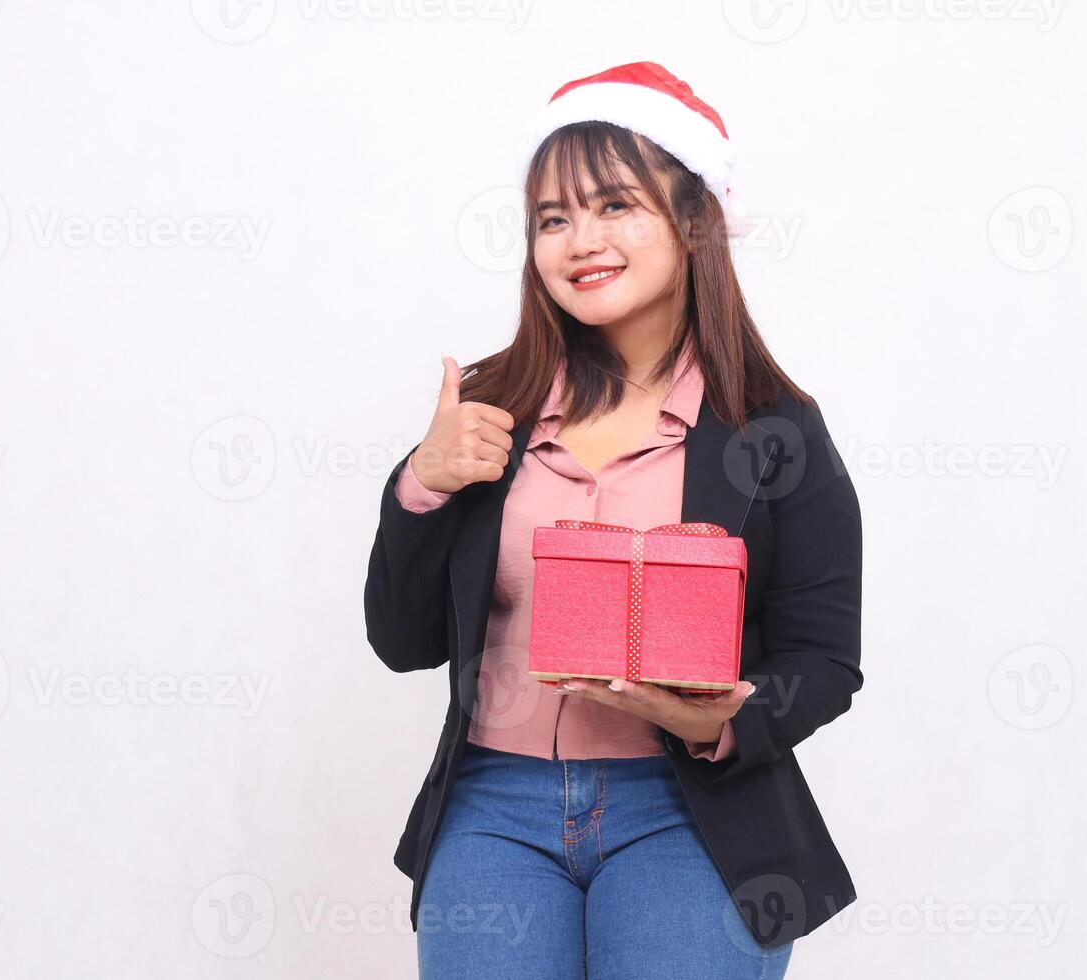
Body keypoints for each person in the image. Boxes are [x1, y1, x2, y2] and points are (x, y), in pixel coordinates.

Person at [363, 61, 863, 979]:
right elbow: (402, 642)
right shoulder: (489, 412)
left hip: (692, 811)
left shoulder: (775, 429)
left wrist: (718, 716)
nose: (579, 241)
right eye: (553, 219)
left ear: (692, 220)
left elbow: (825, 660)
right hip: (493, 811)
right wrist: (420, 484)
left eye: (614, 207)